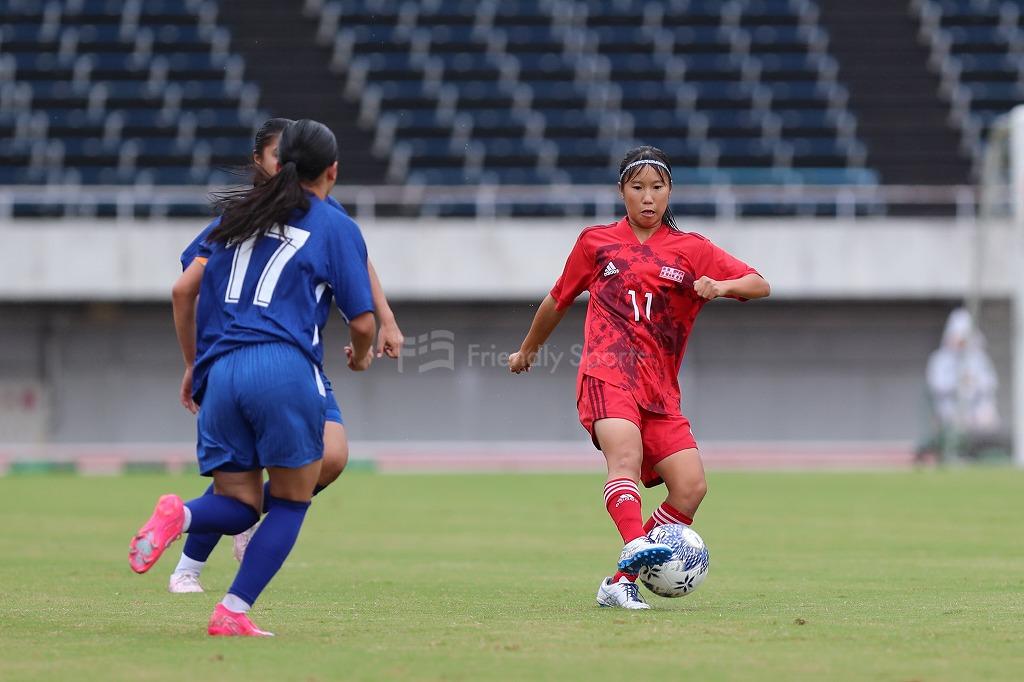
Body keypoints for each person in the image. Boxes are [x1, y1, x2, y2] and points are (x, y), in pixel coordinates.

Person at [129, 119, 376, 636]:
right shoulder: (334, 224)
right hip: (283, 367)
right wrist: (360, 355)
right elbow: (360, 322)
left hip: (221, 369)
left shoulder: (238, 214)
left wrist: (194, 363)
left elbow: (183, 289)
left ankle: (180, 516)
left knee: (240, 506)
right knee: (290, 501)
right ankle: (232, 611)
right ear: (333, 171)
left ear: (279, 164)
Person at [508, 146, 770, 610]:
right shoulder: (595, 242)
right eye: (637, 187)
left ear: (670, 191)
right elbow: (557, 300)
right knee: (624, 458)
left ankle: (620, 580)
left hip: (660, 390)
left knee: (691, 486)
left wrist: (721, 286)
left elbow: (759, 283)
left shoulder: (692, 249)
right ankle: (634, 545)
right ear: (621, 192)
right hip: (606, 372)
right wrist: (528, 350)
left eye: (657, 187)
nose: (648, 197)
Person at [917, 307, 1005, 462]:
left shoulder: (978, 358)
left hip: (975, 408)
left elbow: (990, 382)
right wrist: (958, 383)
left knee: (987, 417)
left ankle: (982, 455)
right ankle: (956, 455)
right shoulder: (939, 359)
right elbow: (936, 386)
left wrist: (974, 383)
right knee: (956, 423)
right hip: (949, 409)